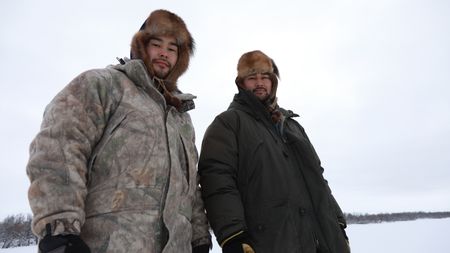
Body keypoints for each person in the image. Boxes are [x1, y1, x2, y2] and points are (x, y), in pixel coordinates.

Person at [26, 9, 211, 253]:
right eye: (157, 44)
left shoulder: (181, 117)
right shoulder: (103, 85)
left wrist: (198, 237)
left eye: (172, 48)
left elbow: (190, 185)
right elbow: (59, 148)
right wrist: (59, 230)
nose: (164, 53)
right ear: (141, 46)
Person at [198, 50, 350, 253]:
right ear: (242, 83)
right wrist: (232, 236)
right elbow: (217, 180)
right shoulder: (228, 124)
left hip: (323, 241)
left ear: (273, 81)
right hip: (271, 243)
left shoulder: (292, 126)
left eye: (265, 77)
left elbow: (318, 179)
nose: (259, 83)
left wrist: (338, 222)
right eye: (252, 78)